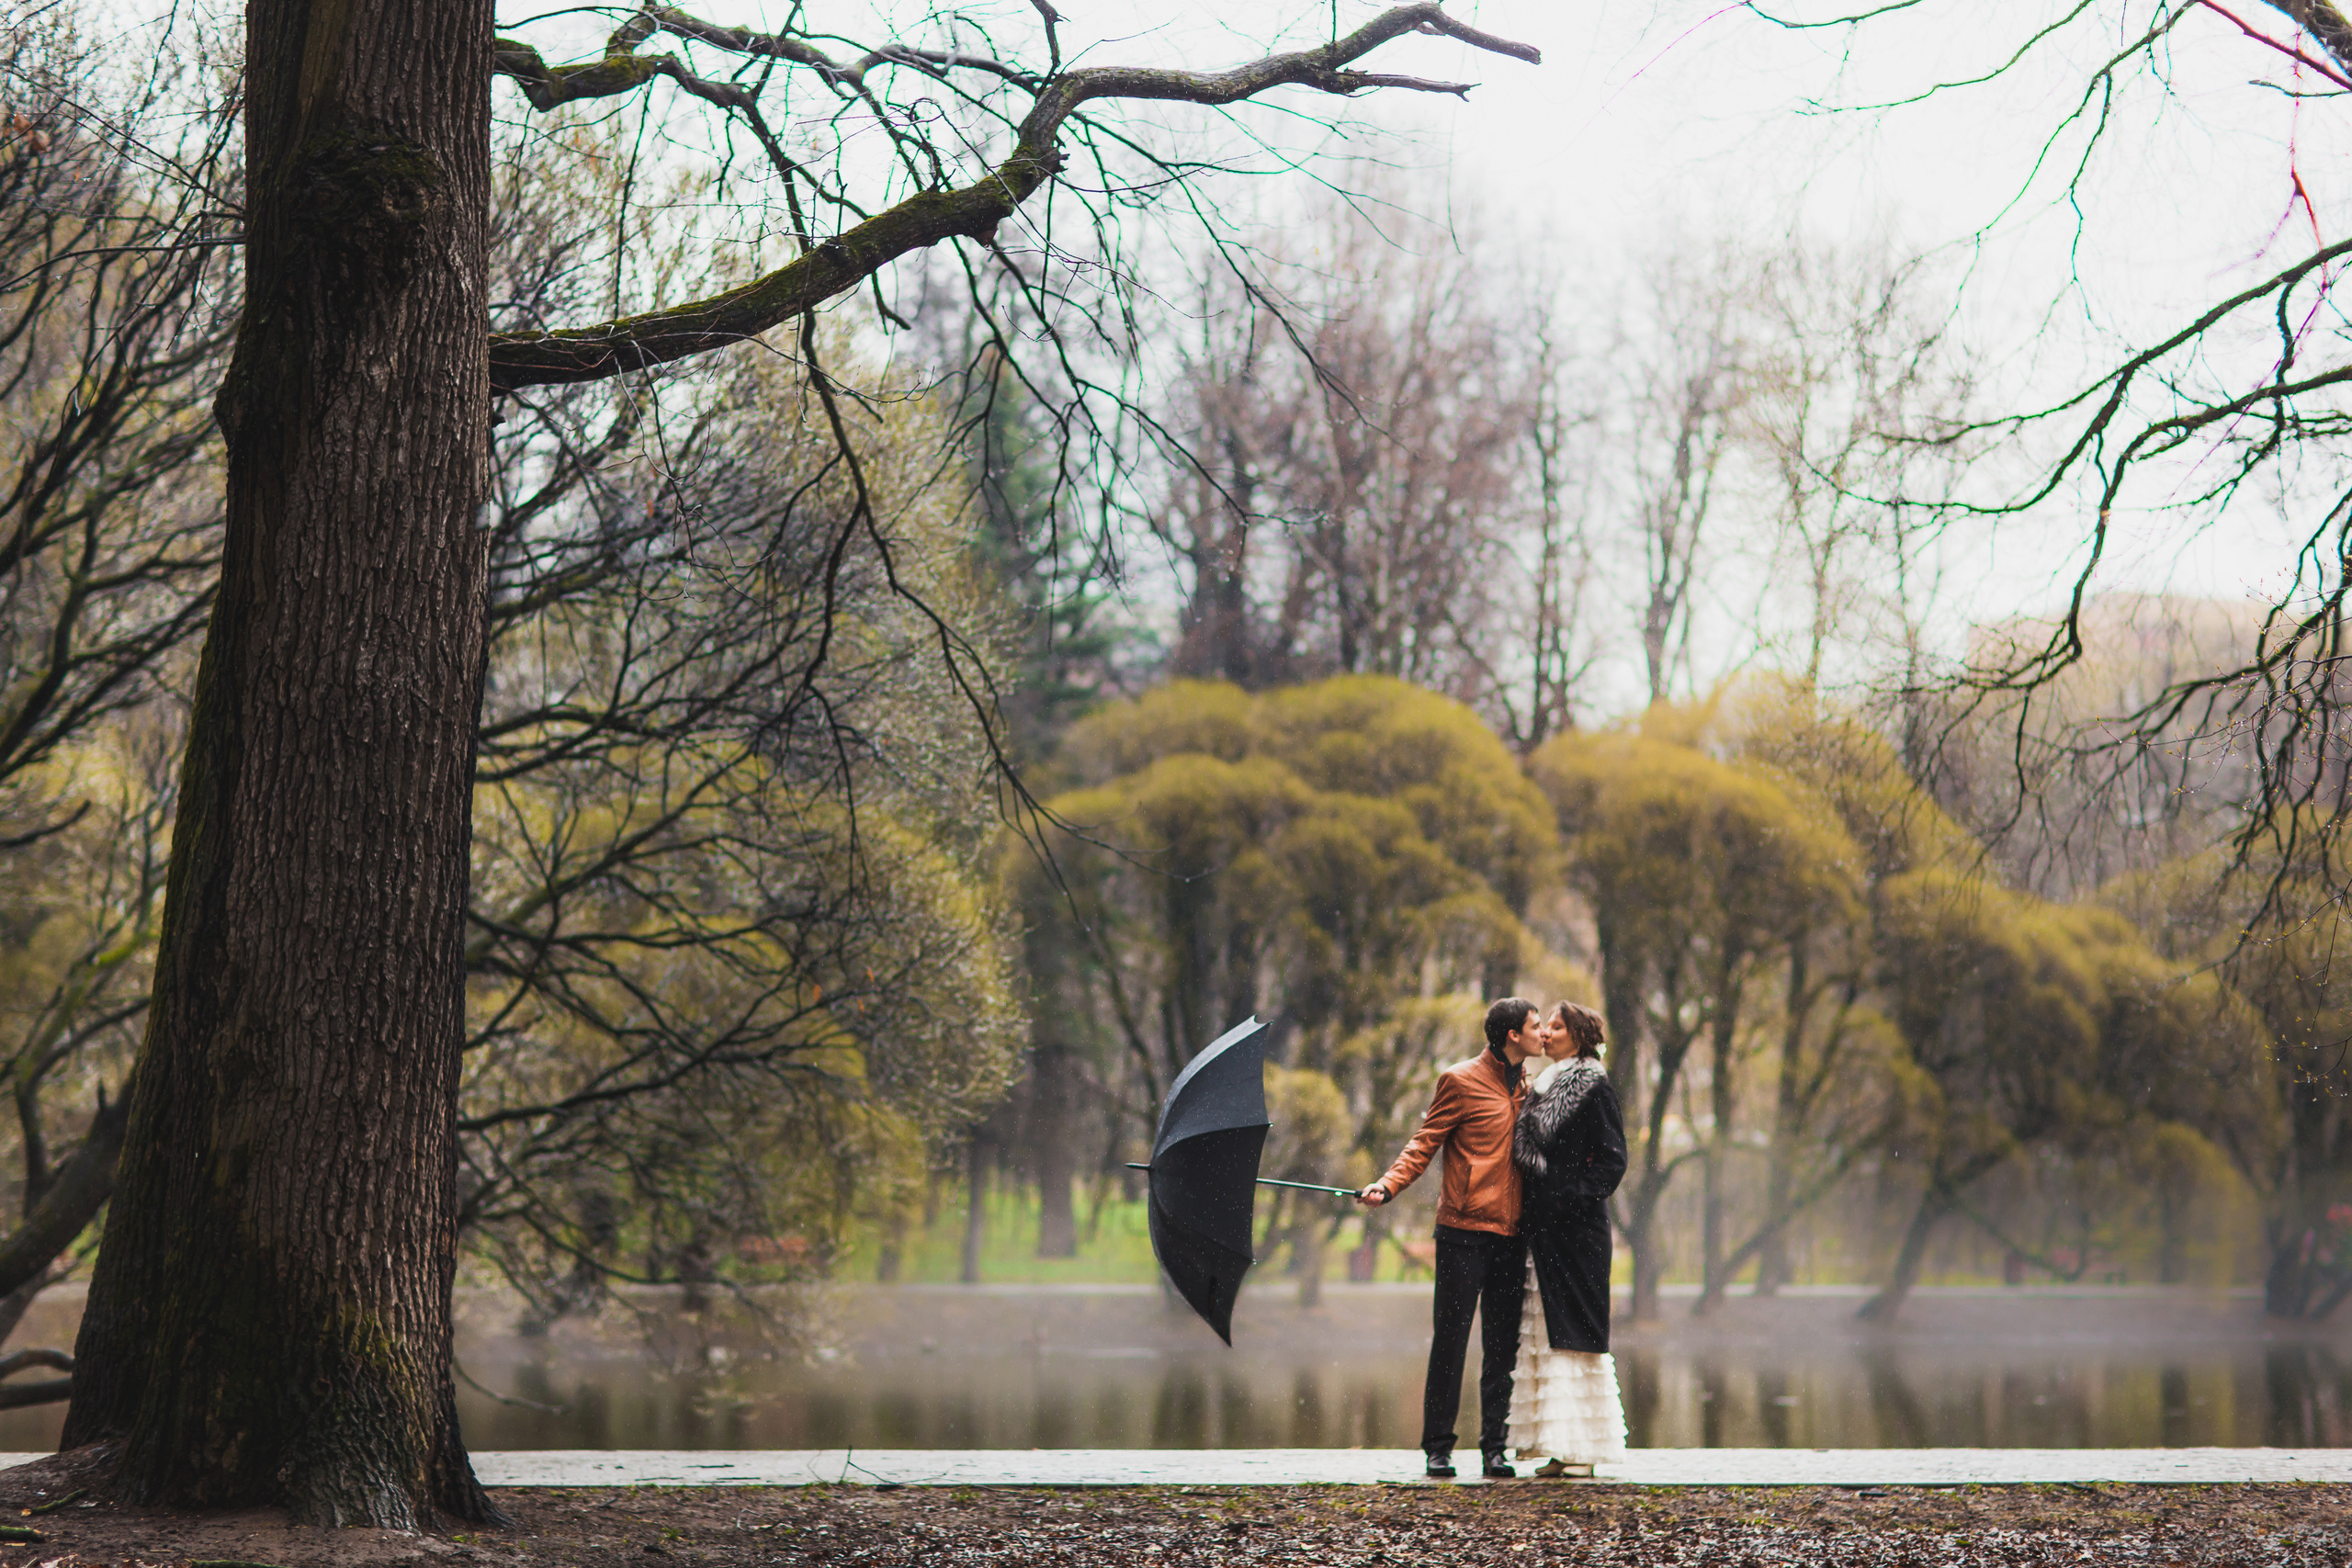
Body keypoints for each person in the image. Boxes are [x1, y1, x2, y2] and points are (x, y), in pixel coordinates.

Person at [1358, 997, 1544, 1480]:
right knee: (1451, 1342)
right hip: (1462, 1232)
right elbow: (1424, 1142)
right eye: (1535, 1025)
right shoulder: (1460, 1080)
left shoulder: (1529, 1086)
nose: (1543, 1032)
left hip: (1512, 1235)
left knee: (1503, 1346)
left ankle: (1494, 1450)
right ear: (1512, 1036)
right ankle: (1438, 1448)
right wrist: (1388, 1184)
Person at [1506, 1000, 1630, 1476]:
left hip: (1578, 1232)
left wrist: (1567, 1197)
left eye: (1556, 1027)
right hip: (1544, 1232)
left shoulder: (1593, 1086)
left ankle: (1581, 1450)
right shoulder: (1541, 1084)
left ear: (1578, 1036)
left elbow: (1612, 1160)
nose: (1548, 1034)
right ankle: (1558, 1446)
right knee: (1547, 1332)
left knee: (1575, 1334)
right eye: (1547, 1026)